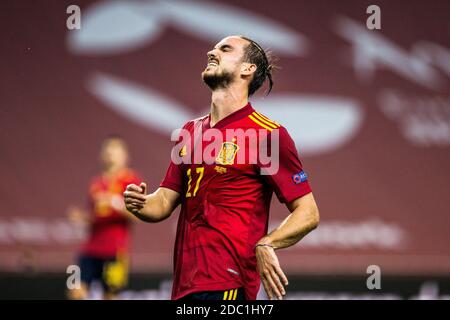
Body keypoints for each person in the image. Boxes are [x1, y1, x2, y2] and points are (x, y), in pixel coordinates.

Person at [123, 35, 320, 300]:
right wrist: (141, 202)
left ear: (248, 69)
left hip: (229, 284)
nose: (211, 52)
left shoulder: (268, 135)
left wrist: (267, 242)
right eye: (214, 48)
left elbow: (308, 213)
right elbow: (163, 203)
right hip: (184, 286)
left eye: (225, 49)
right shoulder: (189, 132)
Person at [67, 136, 141, 300]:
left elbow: (137, 215)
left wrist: (114, 202)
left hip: (115, 251)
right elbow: (96, 216)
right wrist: (83, 217)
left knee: (111, 296)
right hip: (90, 249)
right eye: (107, 149)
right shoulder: (96, 183)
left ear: (125, 155)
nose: (110, 153)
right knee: (75, 290)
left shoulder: (132, 181)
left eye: (115, 149)